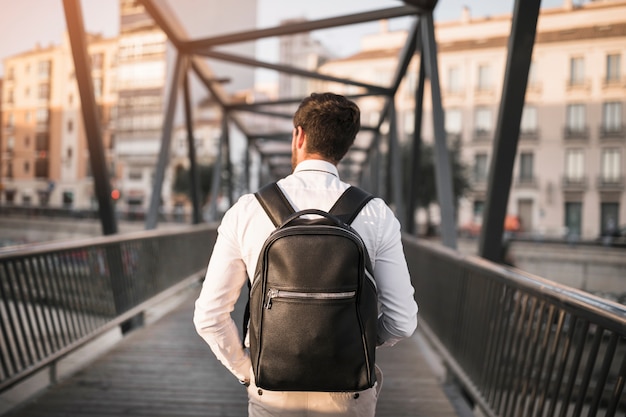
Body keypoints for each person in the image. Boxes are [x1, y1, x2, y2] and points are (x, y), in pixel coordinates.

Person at [193, 92, 418, 417]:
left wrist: (249, 371)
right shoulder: (376, 214)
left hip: (271, 391)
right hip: (348, 392)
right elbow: (403, 322)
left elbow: (209, 317)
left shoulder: (249, 209)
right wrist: (361, 339)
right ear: (346, 147)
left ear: (299, 135)